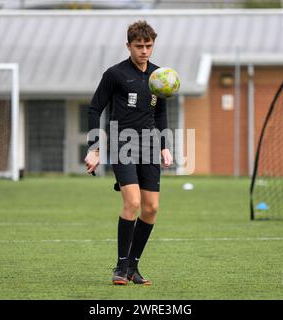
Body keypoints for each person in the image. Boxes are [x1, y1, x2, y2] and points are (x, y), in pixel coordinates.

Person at [84, 20, 173, 286]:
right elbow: (94, 109)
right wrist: (95, 148)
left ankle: (133, 268)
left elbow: (161, 113)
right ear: (128, 46)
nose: (144, 51)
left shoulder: (159, 77)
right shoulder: (115, 74)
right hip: (122, 145)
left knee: (151, 208)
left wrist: (165, 146)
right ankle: (120, 267)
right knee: (132, 203)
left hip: (148, 145)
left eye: (148, 46)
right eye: (138, 46)